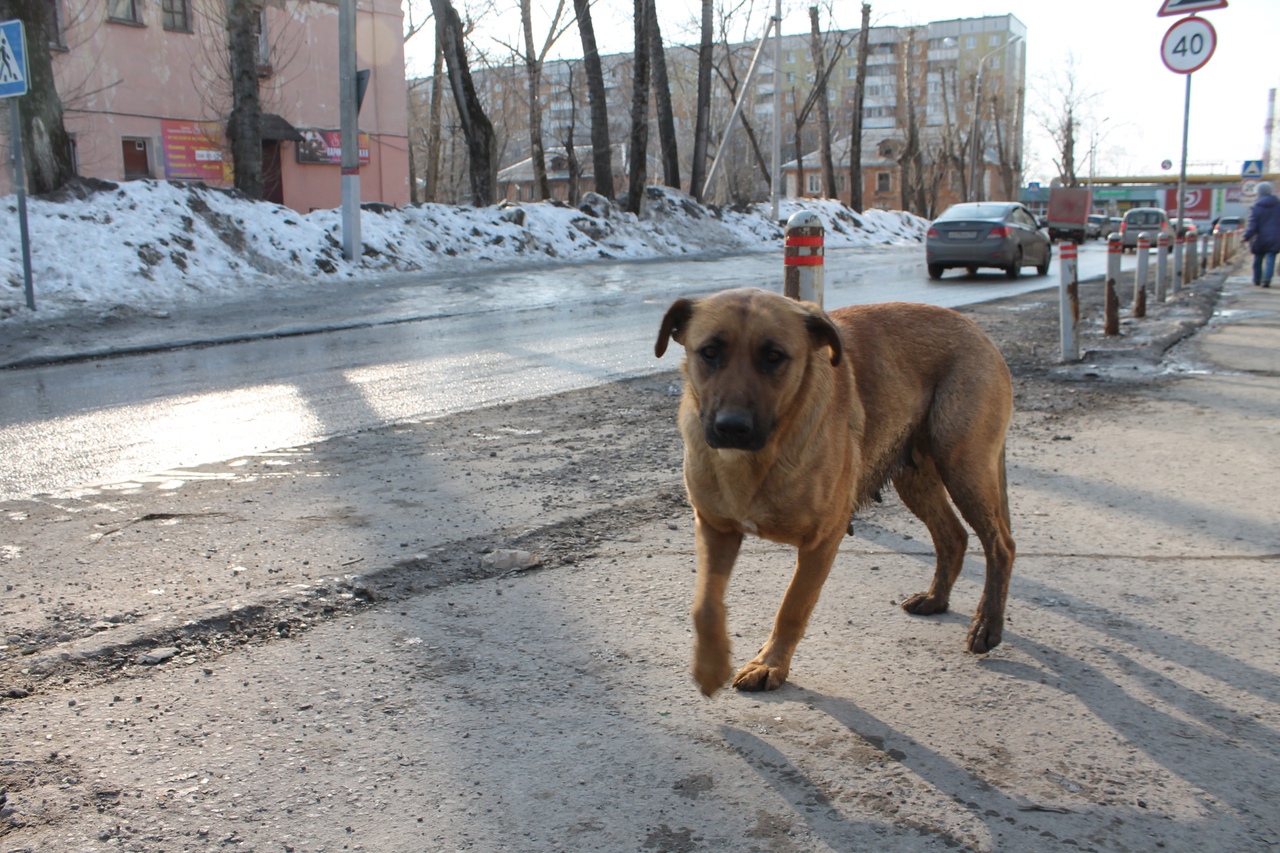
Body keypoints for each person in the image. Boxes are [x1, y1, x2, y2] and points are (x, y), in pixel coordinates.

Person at [1244, 180, 1280, 288]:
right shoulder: (1278, 205)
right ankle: (1266, 280)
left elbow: (1252, 224)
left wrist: (1246, 236)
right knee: (1271, 258)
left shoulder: (1256, 207)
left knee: (1258, 259)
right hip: (1275, 238)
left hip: (1259, 238)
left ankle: (1256, 279)